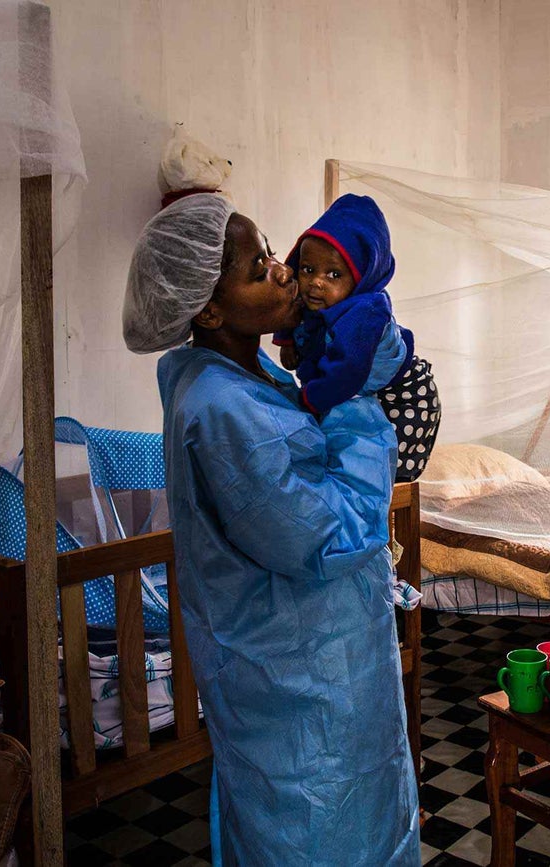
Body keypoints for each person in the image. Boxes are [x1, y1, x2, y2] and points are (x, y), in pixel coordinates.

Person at [123, 193, 420, 866]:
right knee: (318, 840)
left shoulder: (252, 377)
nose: (286, 271)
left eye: (270, 250)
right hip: (300, 696)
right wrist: (359, 408)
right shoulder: (223, 407)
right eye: (259, 266)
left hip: (328, 673)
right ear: (210, 308)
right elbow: (331, 535)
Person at [272, 194, 441, 482]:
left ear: (363, 277)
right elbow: (295, 310)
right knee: (335, 452)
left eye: (334, 274)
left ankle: (381, 523)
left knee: (371, 472)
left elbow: (348, 371)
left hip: (403, 399)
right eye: (308, 269)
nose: (316, 281)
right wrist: (287, 341)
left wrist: (308, 401)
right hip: (362, 394)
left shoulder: (367, 311)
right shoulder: (318, 297)